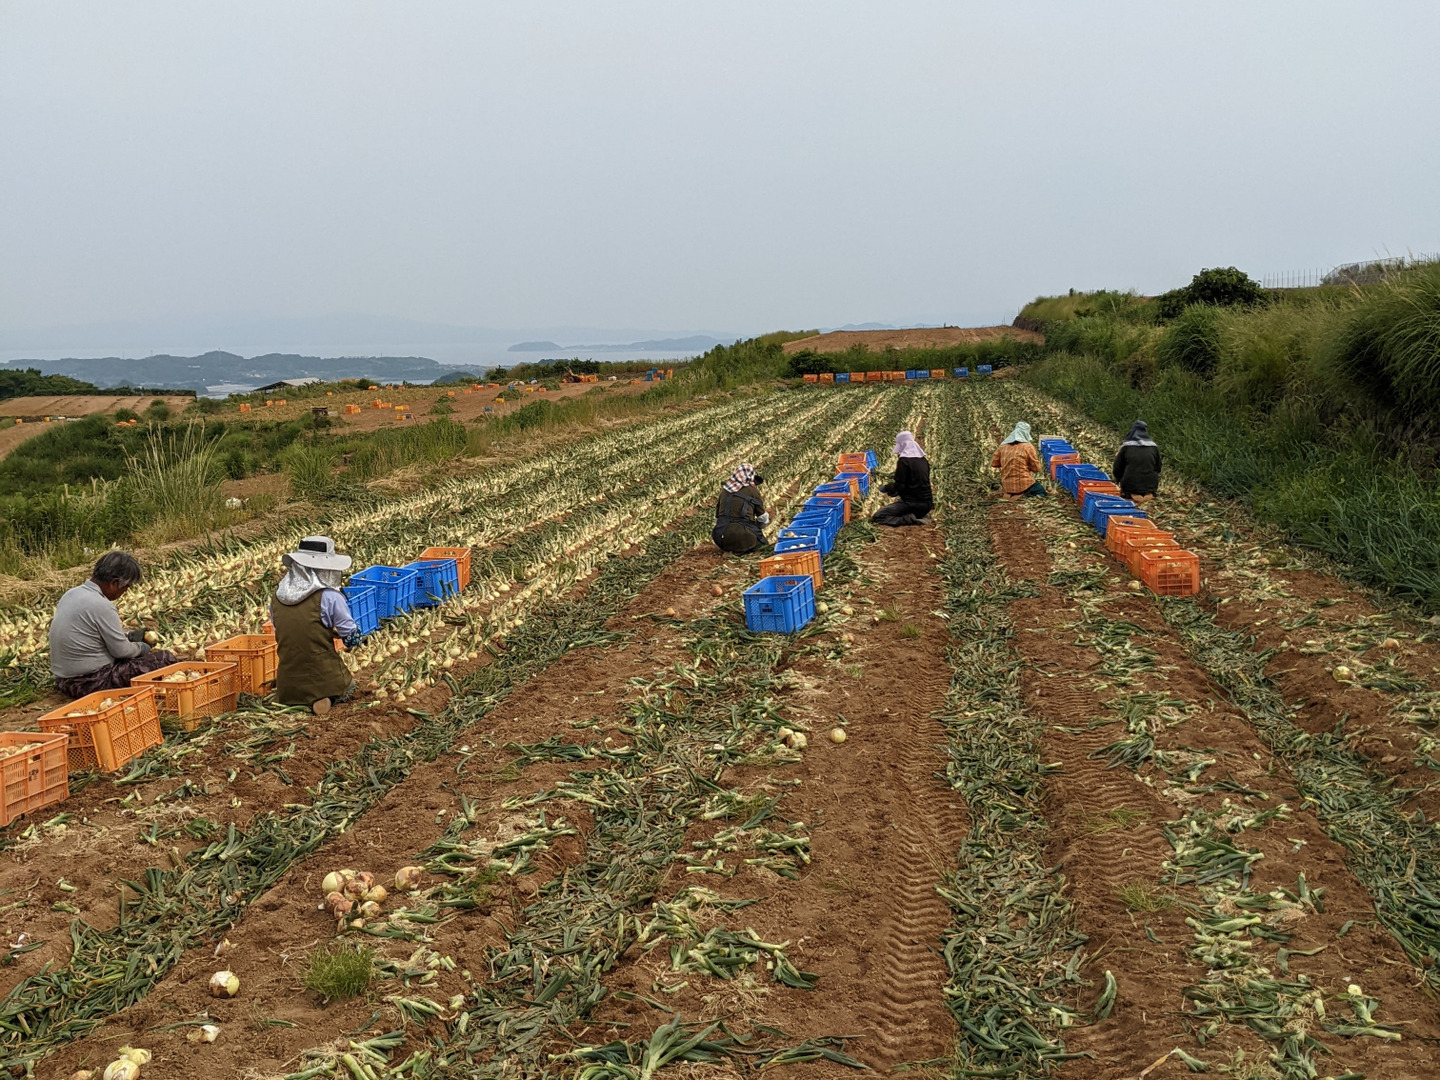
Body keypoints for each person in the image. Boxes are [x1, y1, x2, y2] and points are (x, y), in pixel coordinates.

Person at [50, 551, 181, 699]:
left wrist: (129, 636)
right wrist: (143, 647)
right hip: (92, 682)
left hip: (64, 682)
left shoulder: (71, 594)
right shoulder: (102, 605)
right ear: (114, 583)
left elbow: (95, 633)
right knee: (164, 658)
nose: (125, 592)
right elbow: (122, 651)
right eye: (126, 587)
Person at [271, 536, 361, 715]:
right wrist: (353, 635)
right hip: (324, 678)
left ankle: (296, 700)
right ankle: (323, 698)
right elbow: (351, 638)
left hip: (287, 683)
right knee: (349, 687)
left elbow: (287, 631)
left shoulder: (277, 598)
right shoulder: (330, 597)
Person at [874, 430, 933, 526]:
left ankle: (909, 519)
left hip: (912, 503)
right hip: (927, 504)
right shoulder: (923, 460)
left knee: (879, 516)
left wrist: (887, 488)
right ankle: (920, 515)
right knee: (903, 505)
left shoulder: (904, 461)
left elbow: (900, 485)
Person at [712, 463, 769, 553]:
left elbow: (717, 518)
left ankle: (729, 548)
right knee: (764, 546)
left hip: (720, 538)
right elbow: (762, 518)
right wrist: (758, 527)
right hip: (745, 537)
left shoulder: (725, 491)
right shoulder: (753, 491)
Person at [991, 421, 1045, 498]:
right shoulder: (1028, 447)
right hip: (1024, 484)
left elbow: (994, 464)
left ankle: (1010, 494)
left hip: (1007, 485)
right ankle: (1022, 495)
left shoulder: (1002, 447)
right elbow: (1037, 469)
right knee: (1041, 492)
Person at [1113, 420, 1162, 503]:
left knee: (1130, 490)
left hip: (1130, 485)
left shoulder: (1126, 447)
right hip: (1151, 485)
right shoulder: (1153, 447)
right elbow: (1158, 467)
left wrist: (1117, 480)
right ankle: (1148, 493)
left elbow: (1118, 468)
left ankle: (1131, 493)